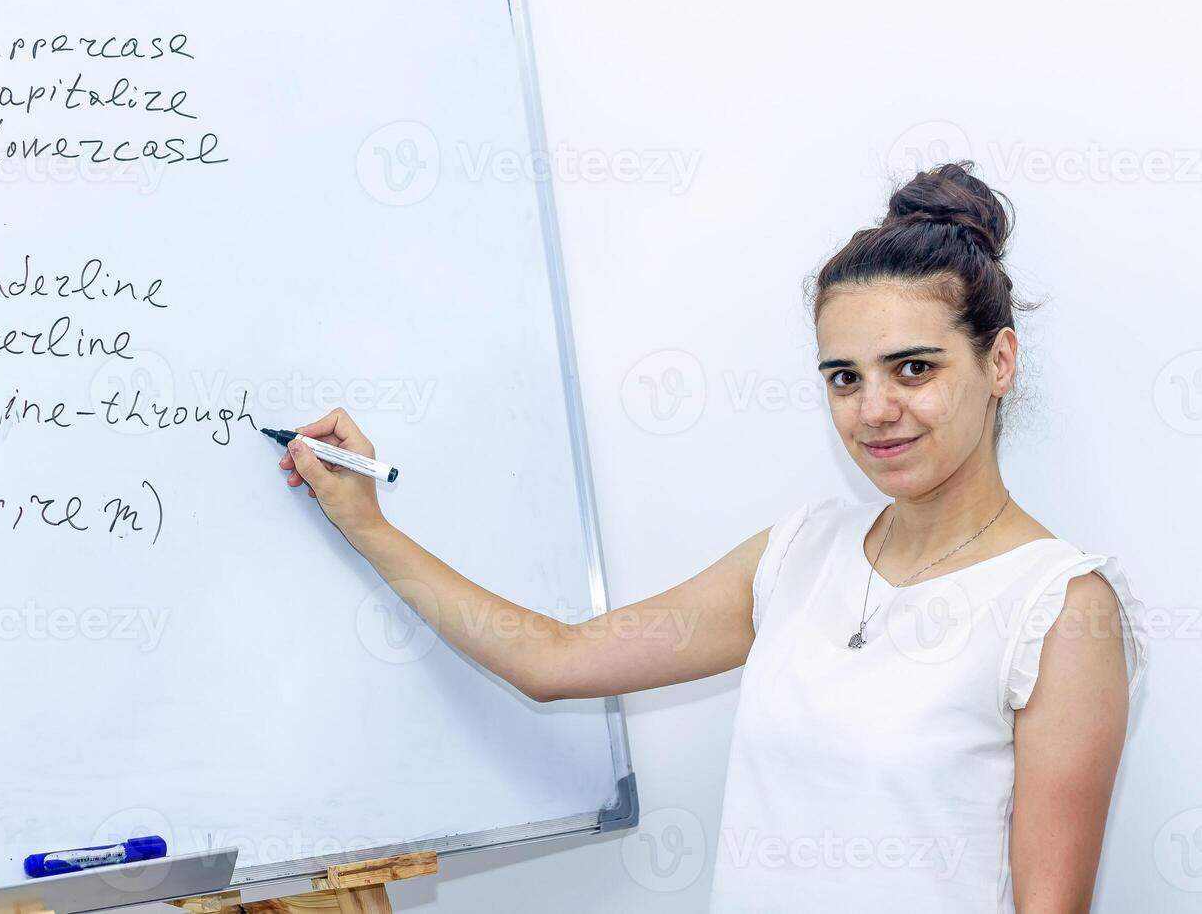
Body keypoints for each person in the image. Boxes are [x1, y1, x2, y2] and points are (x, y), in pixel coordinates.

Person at [273, 161, 1149, 912]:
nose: (875, 410)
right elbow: (552, 662)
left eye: (913, 368)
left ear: (999, 362)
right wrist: (367, 524)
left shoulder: (1061, 608)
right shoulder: (799, 554)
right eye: (844, 377)